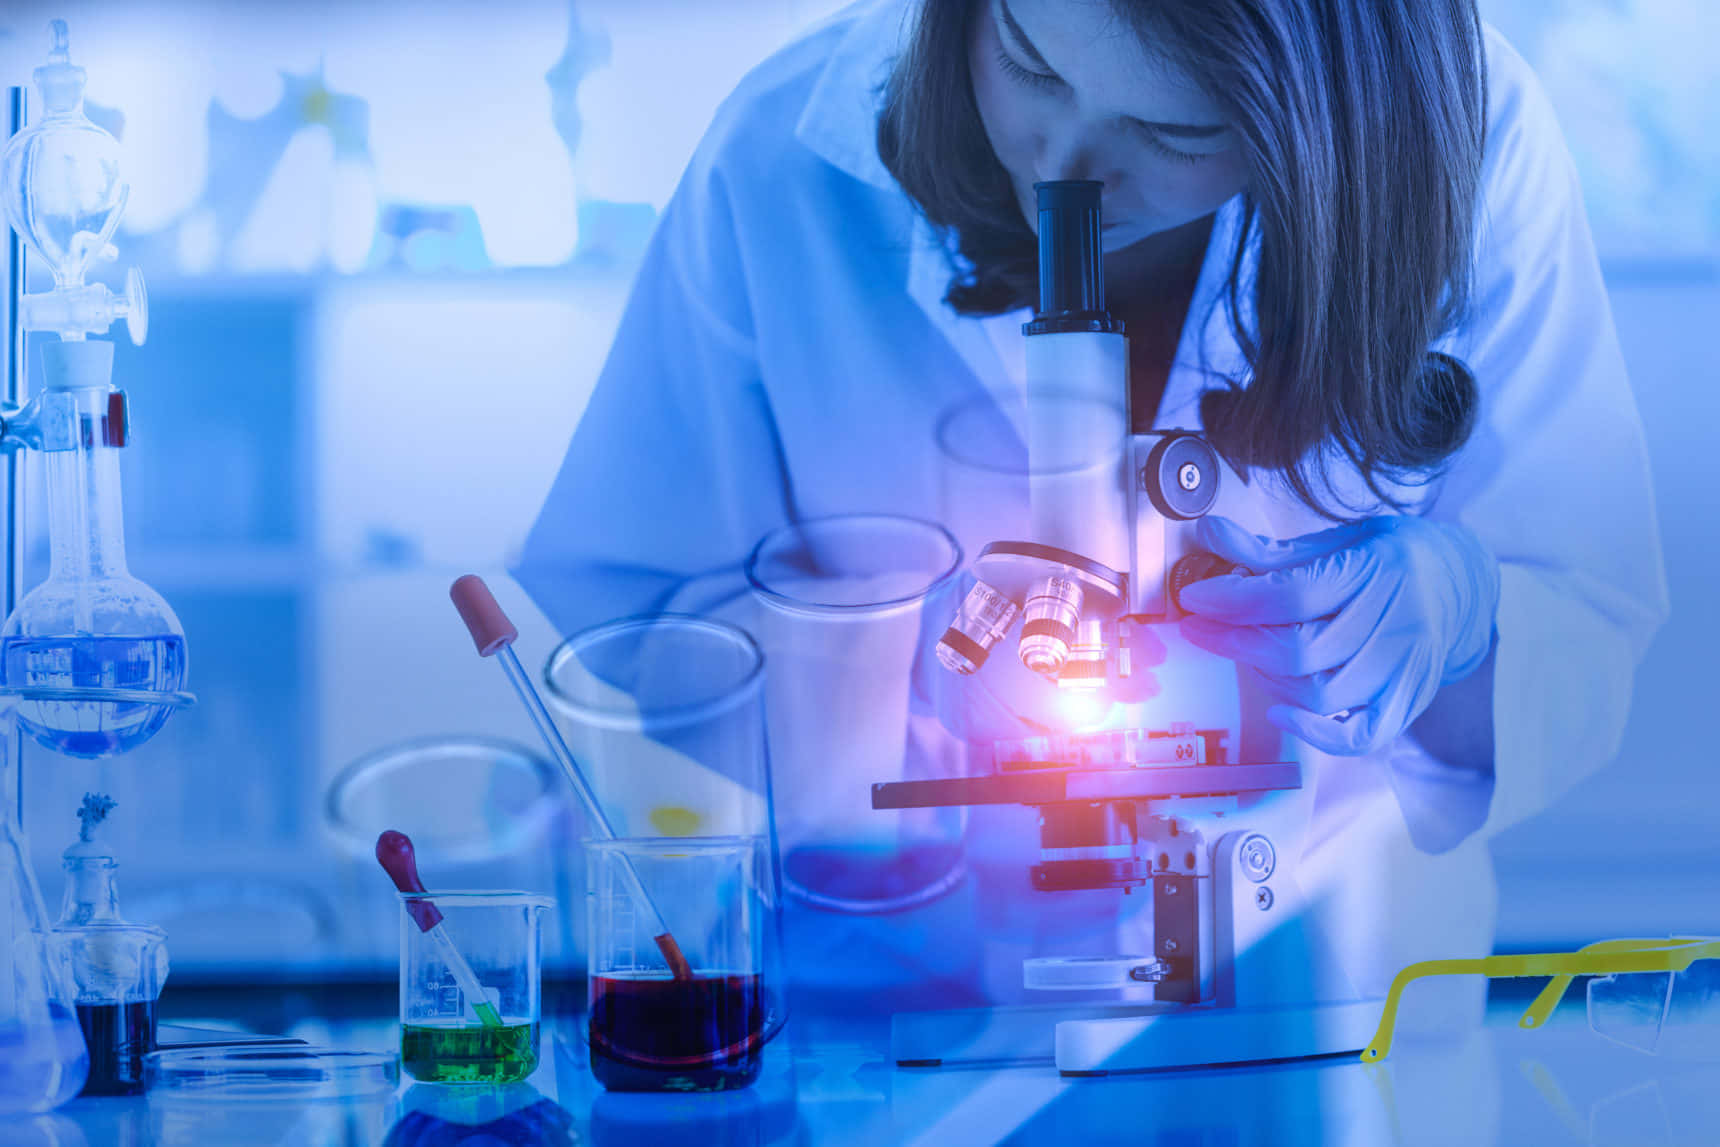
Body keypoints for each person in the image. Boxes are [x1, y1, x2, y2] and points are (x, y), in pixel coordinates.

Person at [513, 0, 1668, 1024]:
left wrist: (1449, 623)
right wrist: (887, 662)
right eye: (1029, 59)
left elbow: (1585, 643)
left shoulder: (1468, 141)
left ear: (1326, 133)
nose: (1061, 171)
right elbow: (636, 625)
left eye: (1174, 135)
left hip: (1335, 1016)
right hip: (906, 1011)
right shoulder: (784, 160)